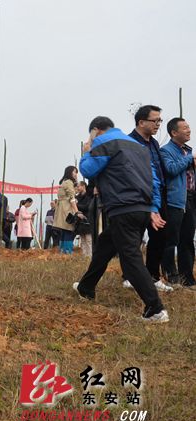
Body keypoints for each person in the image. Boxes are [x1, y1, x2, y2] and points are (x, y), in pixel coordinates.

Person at [73, 116, 168, 323]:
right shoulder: (138, 146)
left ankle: (155, 308)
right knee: (106, 245)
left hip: (123, 207)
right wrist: (152, 208)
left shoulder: (103, 142)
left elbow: (88, 170)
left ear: (96, 130)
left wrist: (87, 151)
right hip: (141, 207)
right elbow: (154, 180)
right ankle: (86, 287)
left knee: (130, 258)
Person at [125, 105, 171, 291]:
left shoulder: (154, 143)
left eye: (160, 120)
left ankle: (153, 275)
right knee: (134, 238)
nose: (158, 124)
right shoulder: (129, 142)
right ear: (141, 121)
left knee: (160, 235)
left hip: (158, 194)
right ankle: (130, 277)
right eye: (155, 120)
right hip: (138, 197)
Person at [160, 117, 195, 288]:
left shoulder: (187, 151)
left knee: (187, 239)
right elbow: (171, 169)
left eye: (189, 127)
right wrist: (189, 158)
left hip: (190, 199)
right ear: (174, 133)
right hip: (174, 200)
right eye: (185, 128)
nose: (189, 130)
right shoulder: (166, 151)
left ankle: (187, 278)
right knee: (171, 239)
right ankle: (170, 276)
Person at [53, 166, 80, 254]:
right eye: (75, 172)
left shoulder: (64, 182)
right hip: (67, 208)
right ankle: (68, 252)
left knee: (64, 230)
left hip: (61, 208)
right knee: (69, 229)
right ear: (70, 172)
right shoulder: (69, 182)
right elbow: (71, 198)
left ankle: (62, 251)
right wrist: (77, 212)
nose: (76, 174)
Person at [75, 181, 93, 257]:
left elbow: (87, 207)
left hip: (87, 219)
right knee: (82, 239)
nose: (77, 188)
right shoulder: (77, 197)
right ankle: (84, 256)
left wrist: (76, 205)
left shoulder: (89, 196)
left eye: (78, 186)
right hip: (79, 221)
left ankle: (90, 256)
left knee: (88, 239)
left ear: (83, 186)